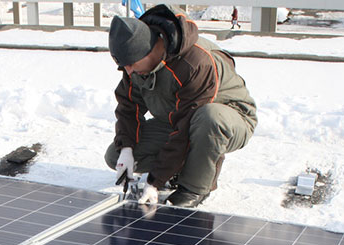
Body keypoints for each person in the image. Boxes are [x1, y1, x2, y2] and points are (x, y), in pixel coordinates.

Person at [105, 5, 257, 208]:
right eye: (124, 66)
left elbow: (186, 128)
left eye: (131, 64)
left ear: (149, 50)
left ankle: (194, 187)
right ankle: (181, 166)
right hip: (177, 118)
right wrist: (126, 148)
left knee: (208, 119)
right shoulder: (134, 65)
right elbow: (128, 108)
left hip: (228, 119)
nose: (128, 71)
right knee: (114, 156)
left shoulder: (196, 63)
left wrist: (154, 181)